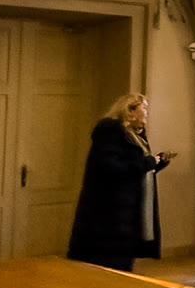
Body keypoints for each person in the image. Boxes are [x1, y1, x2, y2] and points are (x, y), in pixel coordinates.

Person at [66, 93, 174, 272]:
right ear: (130, 109)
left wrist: (158, 163)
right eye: (144, 108)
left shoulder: (136, 135)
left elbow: (137, 170)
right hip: (110, 211)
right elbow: (110, 166)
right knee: (107, 264)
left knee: (122, 263)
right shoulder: (110, 130)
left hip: (128, 210)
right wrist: (147, 163)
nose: (147, 112)